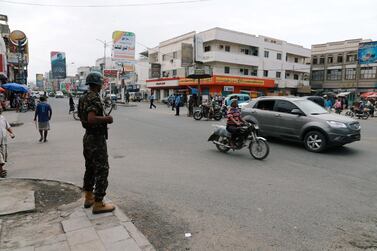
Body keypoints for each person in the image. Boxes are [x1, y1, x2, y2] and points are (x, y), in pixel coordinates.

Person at [78, 72, 115, 214]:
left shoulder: (83, 97)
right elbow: (92, 119)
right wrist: (107, 119)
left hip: (87, 137)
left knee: (90, 168)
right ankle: (99, 203)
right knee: (102, 169)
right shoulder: (94, 98)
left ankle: (88, 197)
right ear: (98, 84)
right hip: (96, 139)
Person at [0, 108, 15, 178]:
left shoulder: (2, 118)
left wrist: (11, 133)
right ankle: (1, 170)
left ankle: (1, 170)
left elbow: (7, 126)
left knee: (3, 155)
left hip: (3, 140)